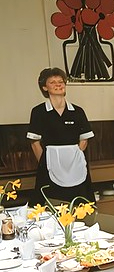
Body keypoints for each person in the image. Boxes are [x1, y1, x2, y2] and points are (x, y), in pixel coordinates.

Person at [28, 67, 94, 205]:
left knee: (81, 205)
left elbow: (84, 139)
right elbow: (35, 142)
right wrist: (47, 162)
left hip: (75, 165)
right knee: (50, 205)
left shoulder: (77, 111)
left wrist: (73, 157)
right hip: (49, 165)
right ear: (45, 87)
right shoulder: (39, 112)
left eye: (61, 81)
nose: (58, 84)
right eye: (52, 82)